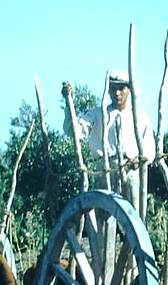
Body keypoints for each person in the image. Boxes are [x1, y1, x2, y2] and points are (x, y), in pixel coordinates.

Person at [62, 69, 156, 209]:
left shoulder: (140, 116)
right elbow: (73, 131)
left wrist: (140, 160)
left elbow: (149, 147)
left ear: (129, 90)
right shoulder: (98, 114)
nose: (117, 93)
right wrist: (68, 103)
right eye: (112, 88)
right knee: (105, 216)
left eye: (121, 88)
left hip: (131, 168)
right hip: (106, 168)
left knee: (134, 215)